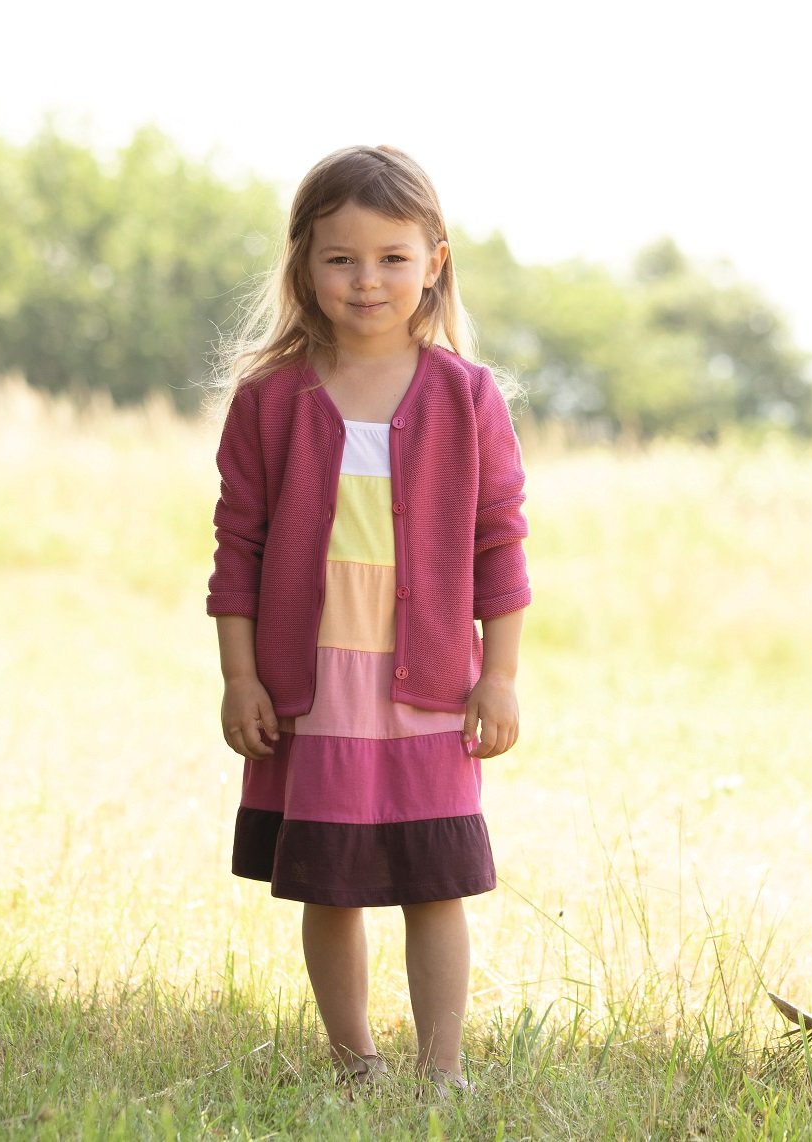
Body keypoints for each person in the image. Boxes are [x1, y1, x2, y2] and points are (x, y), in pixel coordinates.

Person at [205, 145, 530, 1094]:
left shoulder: (468, 397)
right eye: (341, 258)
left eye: (392, 257)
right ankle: (355, 1062)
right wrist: (240, 677)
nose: (367, 279)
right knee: (332, 881)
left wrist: (500, 675)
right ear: (304, 263)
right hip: (314, 688)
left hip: (429, 679)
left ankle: (442, 1068)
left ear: (434, 261)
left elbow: (501, 543)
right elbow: (237, 550)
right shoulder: (268, 402)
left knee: (436, 878)